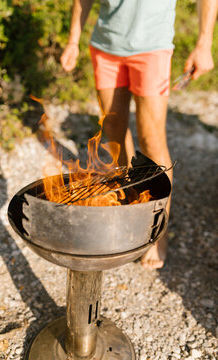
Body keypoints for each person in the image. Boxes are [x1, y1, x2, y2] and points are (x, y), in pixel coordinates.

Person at [60, 0, 217, 269]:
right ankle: (129, 207)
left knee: (152, 140)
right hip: (105, 47)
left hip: (152, 50)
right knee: (113, 133)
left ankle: (157, 231)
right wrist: (73, 40)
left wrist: (204, 44)